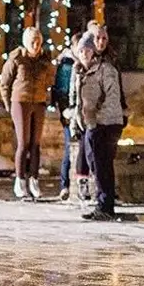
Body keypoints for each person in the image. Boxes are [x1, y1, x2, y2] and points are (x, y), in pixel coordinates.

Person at [73, 33, 126, 221]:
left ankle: (105, 206)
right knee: (96, 165)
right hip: (91, 125)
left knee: (102, 165)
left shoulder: (105, 70)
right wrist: (78, 121)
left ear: (93, 52)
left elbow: (112, 97)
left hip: (107, 124)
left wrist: (97, 120)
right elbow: (79, 102)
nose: (84, 54)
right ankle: (102, 203)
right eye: (81, 51)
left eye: (88, 50)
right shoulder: (80, 72)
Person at [0, 27, 54, 200]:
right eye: (32, 42)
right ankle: (20, 180)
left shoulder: (44, 59)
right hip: (20, 102)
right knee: (24, 142)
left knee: (36, 143)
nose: (36, 45)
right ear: (26, 42)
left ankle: (34, 180)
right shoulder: (17, 59)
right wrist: (9, 104)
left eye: (38, 42)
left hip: (39, 102)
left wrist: (46, 96)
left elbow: (50, 79)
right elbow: (4, 83)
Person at [52, 33, 81, 200]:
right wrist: (65, 111)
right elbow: (61, 90)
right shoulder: (67, 65)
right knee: (70, 146)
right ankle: (65, 185)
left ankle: (79, 183)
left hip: (81, 111)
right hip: (69, 111)